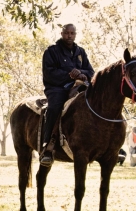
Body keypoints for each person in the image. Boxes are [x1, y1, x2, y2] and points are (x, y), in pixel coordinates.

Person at [40, 24, 95, 166]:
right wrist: (70, 74)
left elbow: (91, 72)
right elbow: (49, 73)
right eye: (66, 33)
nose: (69, 36)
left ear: (75, 34)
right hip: (57, 89)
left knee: (96, 103)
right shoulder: (51, 51)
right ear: (61, 33)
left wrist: (82, 74)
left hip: (79, 87)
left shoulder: (80, 52)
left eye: (72, 33)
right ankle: (48, 146)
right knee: (54, 108)